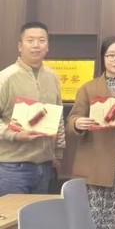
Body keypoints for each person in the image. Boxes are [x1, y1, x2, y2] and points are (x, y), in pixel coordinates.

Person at [68, 37, 115, 229]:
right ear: (103, 58)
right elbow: (71, 120)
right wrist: (78, 123)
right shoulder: (88, 88)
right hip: (96, 163)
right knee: (93, 220)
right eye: (111, 55)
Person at [0, 21, 65, 196]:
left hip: (45, 166)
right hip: (12, 167)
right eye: (30, 40)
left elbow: (58, 118)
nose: (36, 45)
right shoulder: (5, 78)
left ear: (47, 46)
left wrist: (58, 154)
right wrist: (14, 135)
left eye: (41, 40)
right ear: (20, 46)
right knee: (12, 214)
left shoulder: (53, 77)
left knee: (37, 213)